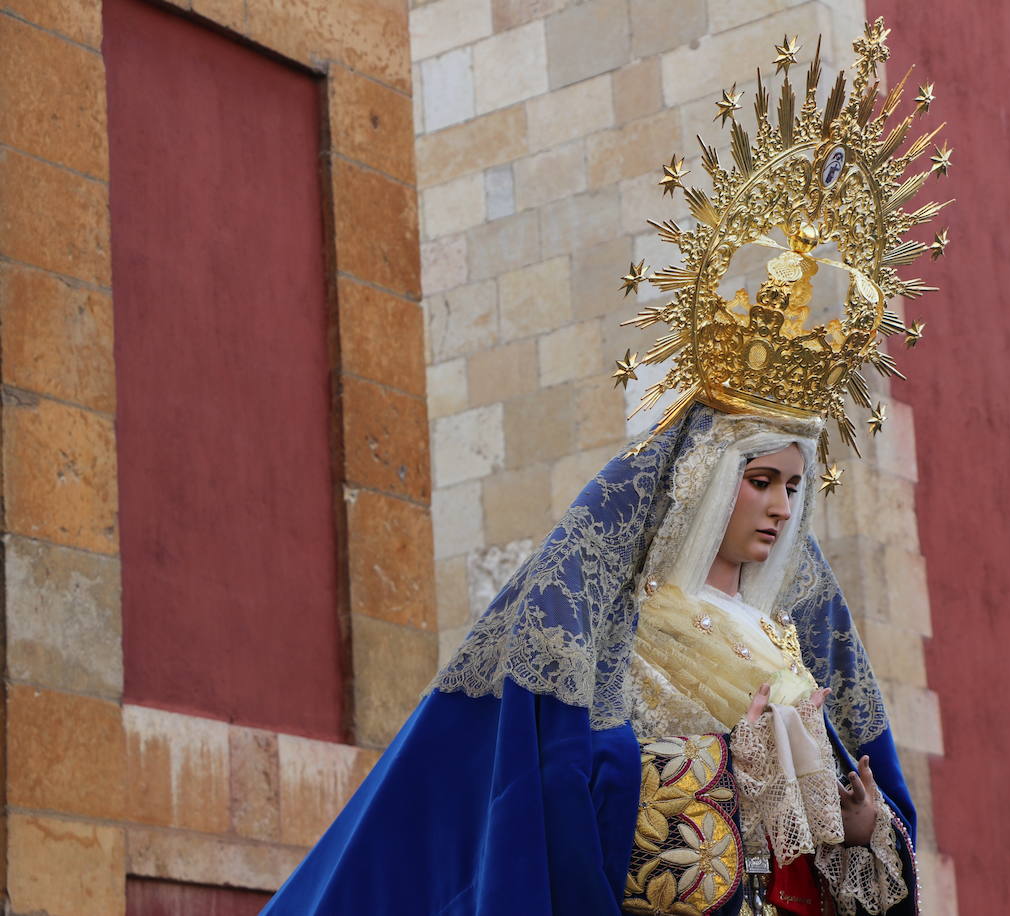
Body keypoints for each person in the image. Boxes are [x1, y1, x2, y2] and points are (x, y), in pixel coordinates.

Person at [263, 18, 946, 913]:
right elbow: (547, 809)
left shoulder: (795, 646)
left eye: (791, 486)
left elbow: (854, 876)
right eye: (761, 480)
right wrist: (703, 770)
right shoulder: (610, 633)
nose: (781, 507)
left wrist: (858, 836)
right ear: (705, 477)